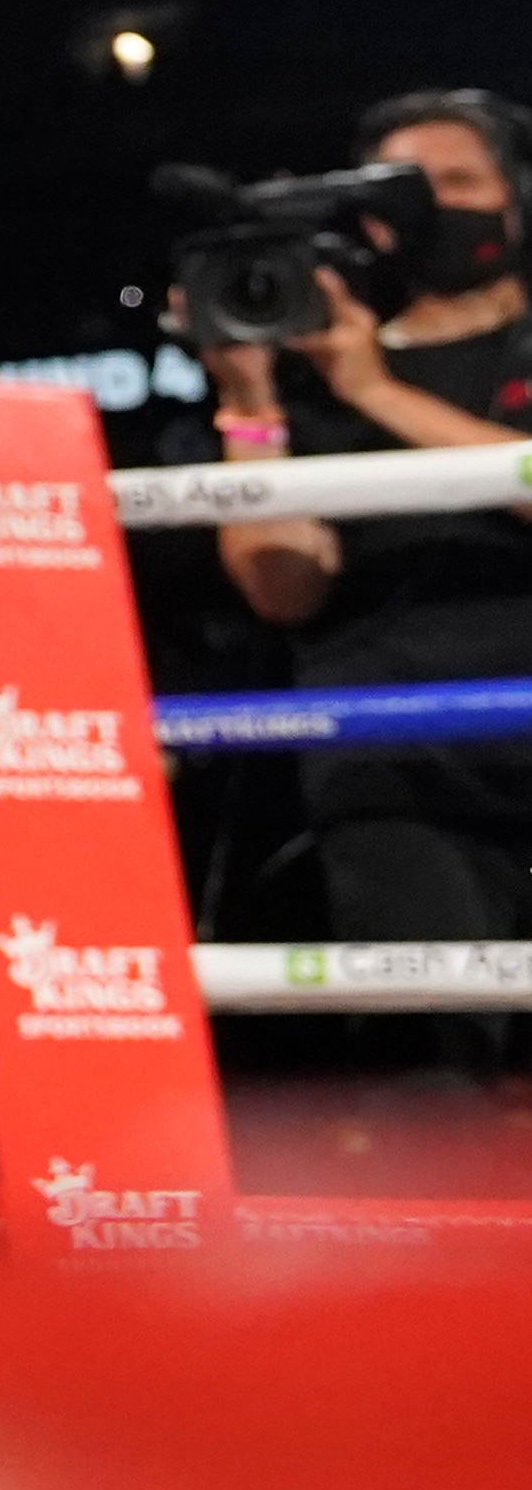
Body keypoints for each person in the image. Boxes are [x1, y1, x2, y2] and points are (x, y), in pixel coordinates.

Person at [204, 89, 532, 1058]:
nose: (434, 204)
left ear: (514, 198)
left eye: (458, 180)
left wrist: (375, 393)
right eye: (407, 187)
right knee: (442, 1063)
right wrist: (249, 406)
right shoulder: (312, 372)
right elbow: (281, 588)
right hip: (387, 755)